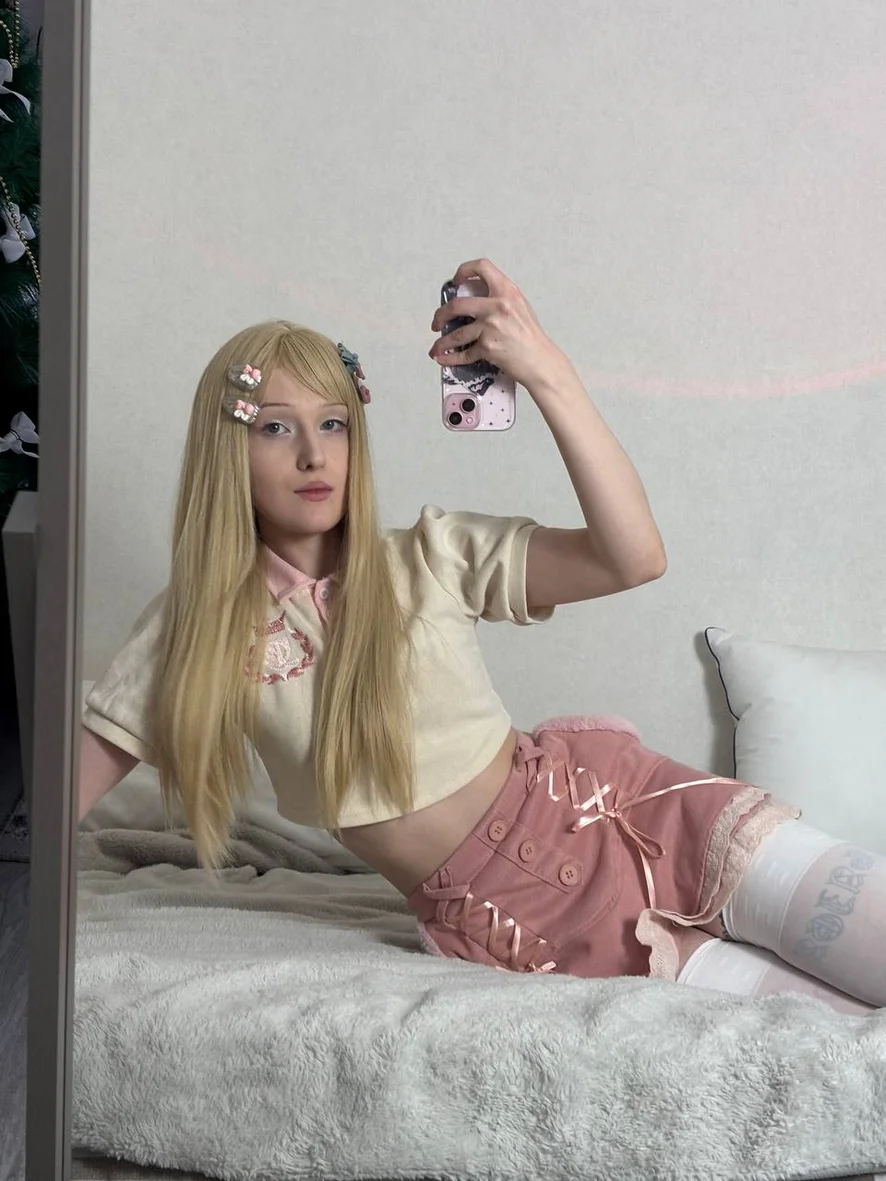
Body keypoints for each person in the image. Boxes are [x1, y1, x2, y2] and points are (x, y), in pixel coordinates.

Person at [80, 258, 884, 1017]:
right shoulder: (195, 626)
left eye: (333, 423)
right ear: (228, 446)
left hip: (637, 814)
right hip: (518, 922)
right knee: (829, 1040)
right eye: (276, 428)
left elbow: (633, 556)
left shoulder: (432, 555)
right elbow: (57, 799)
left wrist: (544, 370)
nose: (315, 454)